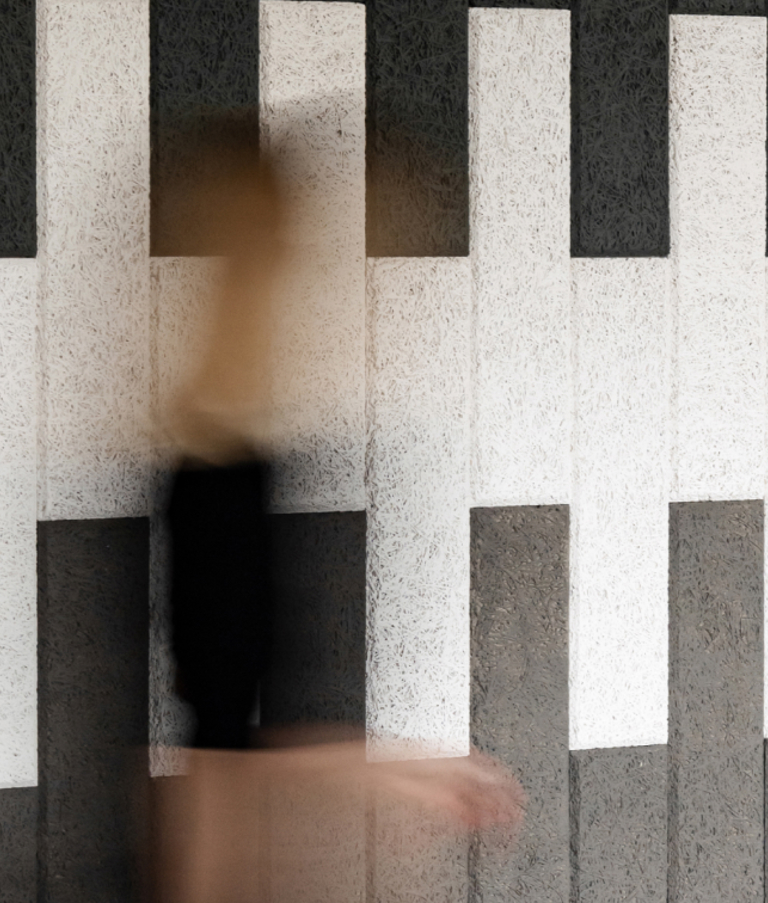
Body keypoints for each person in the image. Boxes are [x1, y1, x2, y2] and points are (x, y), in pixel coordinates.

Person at [150, 111, 525, 903]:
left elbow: (227, 759)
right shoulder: (220, 460)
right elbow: (229, 760)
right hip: (221, 485)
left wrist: (417, 777)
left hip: (222, 484)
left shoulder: (219, 456)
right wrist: (415, 778)